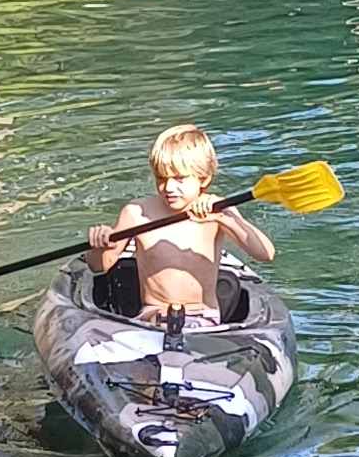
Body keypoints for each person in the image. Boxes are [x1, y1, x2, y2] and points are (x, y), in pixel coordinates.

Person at [89, 124, 275, 324]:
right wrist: (101, 245)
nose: (168, 187)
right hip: (152, 315)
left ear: (203, 179)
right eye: (161, 178)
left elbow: (265, 254)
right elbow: (98, 266)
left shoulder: (218, 209)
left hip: (203, 316)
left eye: (179, 178)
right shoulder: (136, 212)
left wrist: (224, 219)